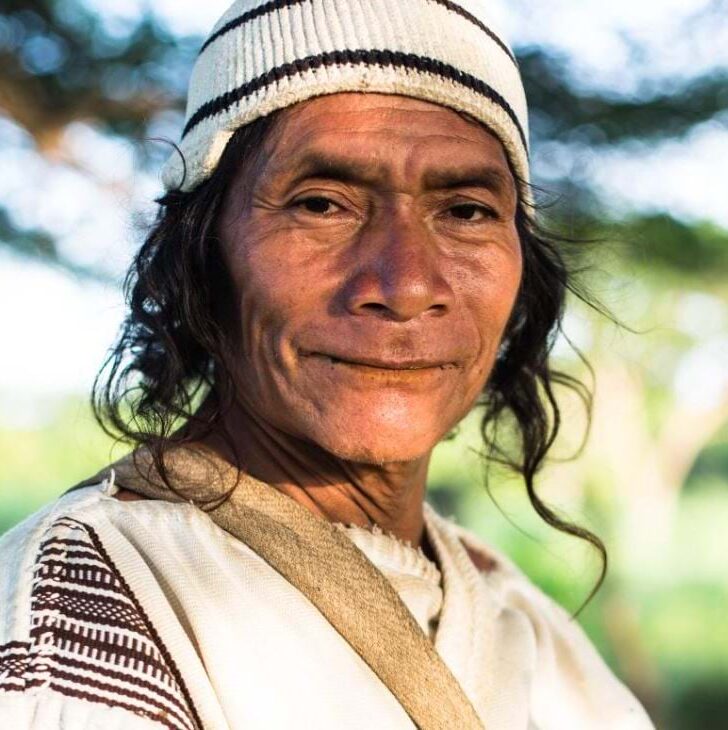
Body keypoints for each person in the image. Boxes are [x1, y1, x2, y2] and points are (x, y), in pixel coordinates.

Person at [0, 1, 655, 728]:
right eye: (322, 204)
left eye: (466, 211)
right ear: (199, 254)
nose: (406, 286)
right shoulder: (87, 610)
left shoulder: (534, 635)